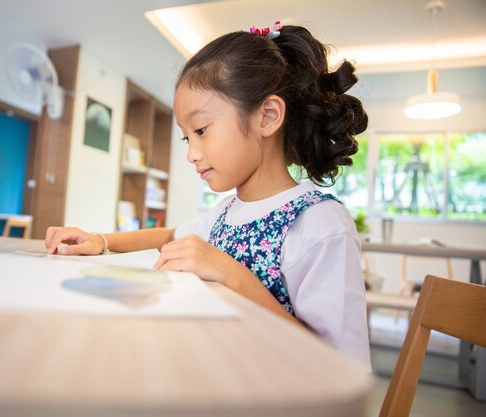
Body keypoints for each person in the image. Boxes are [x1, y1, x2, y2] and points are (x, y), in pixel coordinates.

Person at [46, 21, 371, 370]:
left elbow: (340, 367)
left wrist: (232, 275)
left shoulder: (320, 224)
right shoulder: (226, 212)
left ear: (268, 116)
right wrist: (100, 241)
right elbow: (170, 236)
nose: (192, 154)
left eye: (201, 130)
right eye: (188, 138)